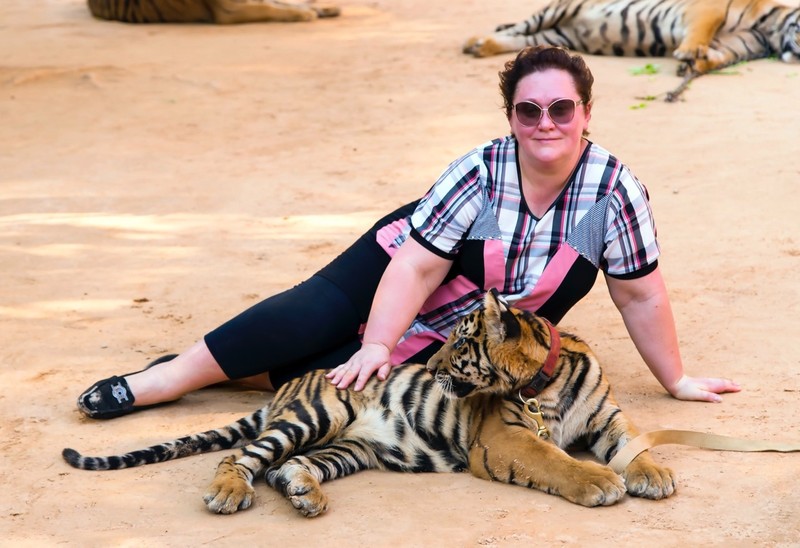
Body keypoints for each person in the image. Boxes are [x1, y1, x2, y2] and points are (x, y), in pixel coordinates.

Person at [77, 45, 740, 420]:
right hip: (400, 262)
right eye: (528, 109)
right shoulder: (481, 171)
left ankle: (230, 372)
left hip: (470, 322)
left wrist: (676, 380)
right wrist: (378, 341)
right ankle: (163, 379)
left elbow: (640, 296)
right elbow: (419, 268)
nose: (546, 121)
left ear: (585, 112)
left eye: (561, 107)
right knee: (311, 317)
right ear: (511, 116)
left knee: (330, 374)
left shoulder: (613, 192)